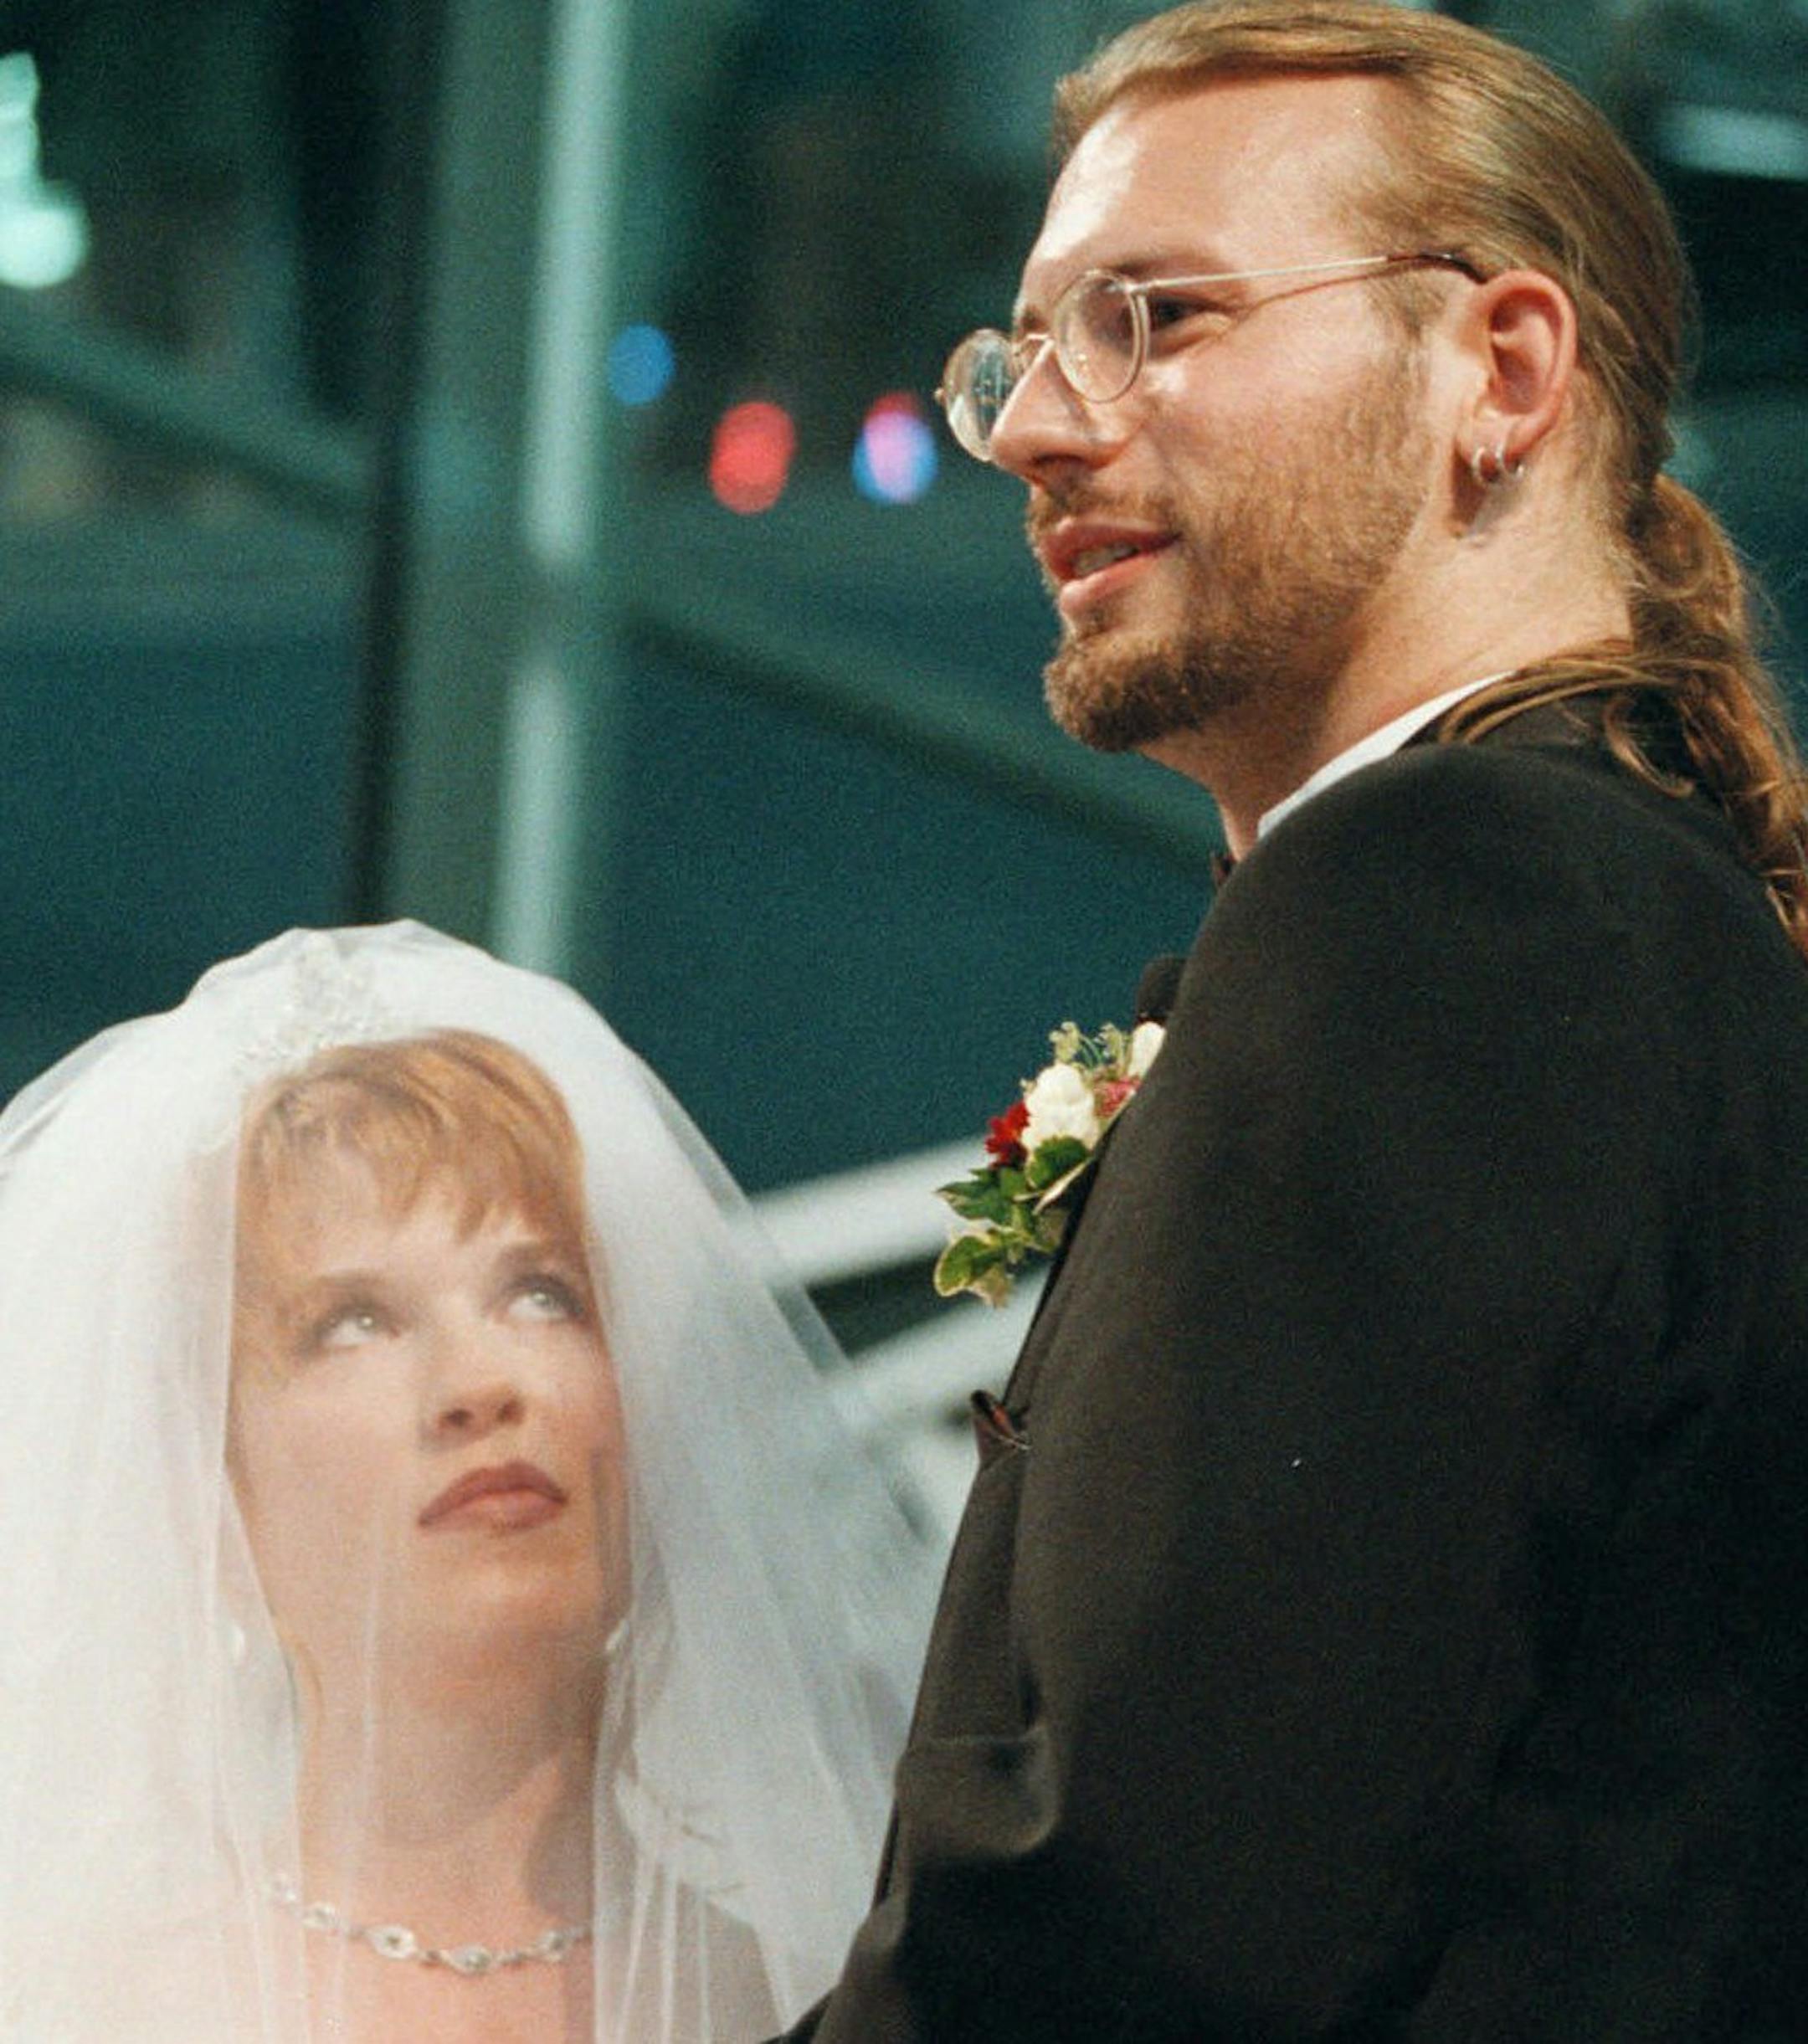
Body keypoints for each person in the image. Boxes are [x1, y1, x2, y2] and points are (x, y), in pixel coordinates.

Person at [786, 3, 1808, 2038]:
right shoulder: (1611, 894)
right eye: (1025, 348)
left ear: (1501, 370)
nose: (1034, 429)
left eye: (1155, 319)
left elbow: (1150, 1919)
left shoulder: (1453, 896)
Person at [0, 920, 937, 2041]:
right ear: (212, 1497)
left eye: (541, 1294)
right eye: (353, 1322)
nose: (478, 1384)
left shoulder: (828, 1997)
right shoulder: (75, 2003)